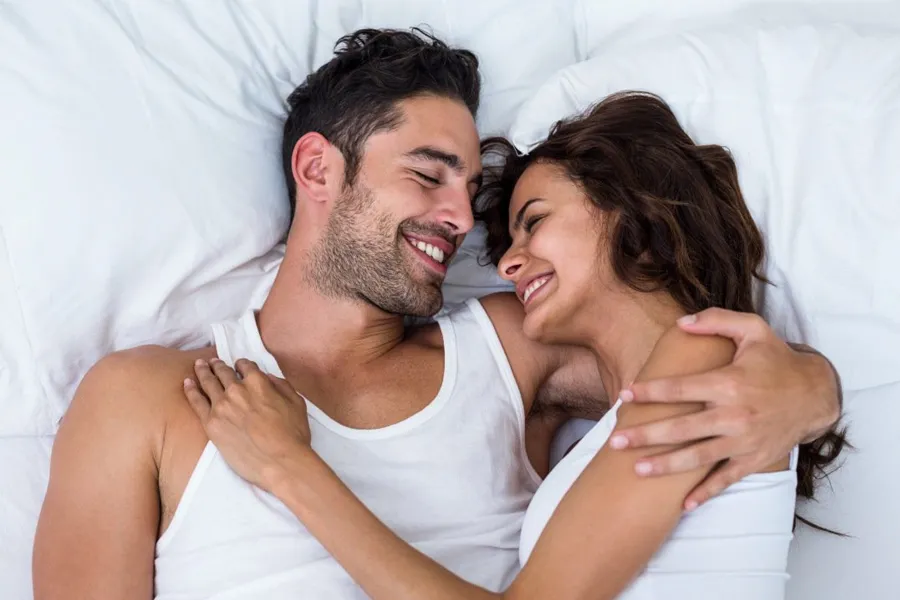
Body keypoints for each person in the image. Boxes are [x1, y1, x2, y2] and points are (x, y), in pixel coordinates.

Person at [33, 29, 840, 600]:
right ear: (319, 168)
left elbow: (689, 350)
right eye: (429, 174)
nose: (461, 219)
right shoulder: (143, 398)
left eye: (470, 194)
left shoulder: (513, 348)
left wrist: (813, 389)